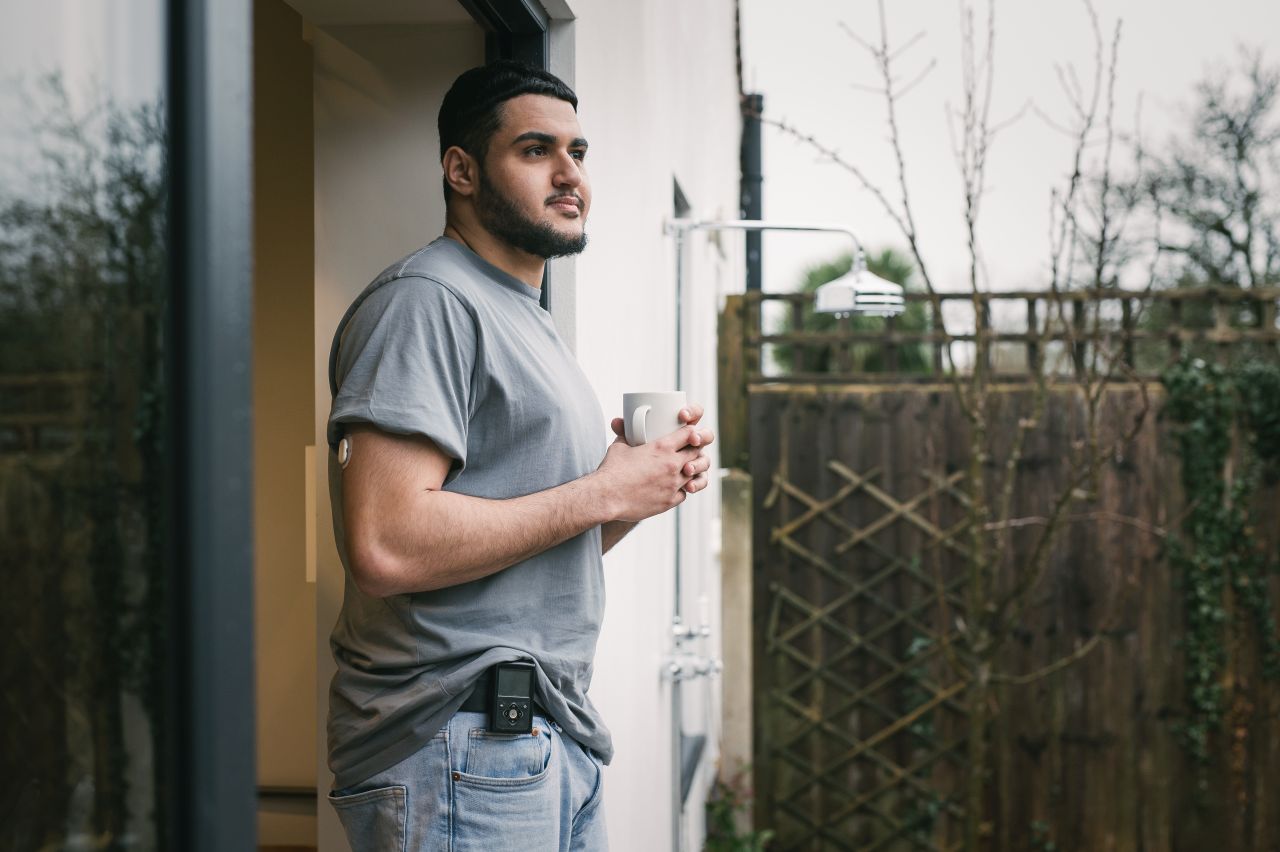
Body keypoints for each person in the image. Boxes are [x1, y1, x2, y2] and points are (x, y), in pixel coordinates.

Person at [322, 60, 715, 851]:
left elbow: (526, 555)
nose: (570, 173)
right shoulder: (425, 303)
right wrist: (600, 494)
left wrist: (636, 490)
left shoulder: (526, 319)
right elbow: (387, 545)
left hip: (543, 738)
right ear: (461, 170)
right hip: (458, 743)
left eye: (578, 152)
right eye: (537, 150)